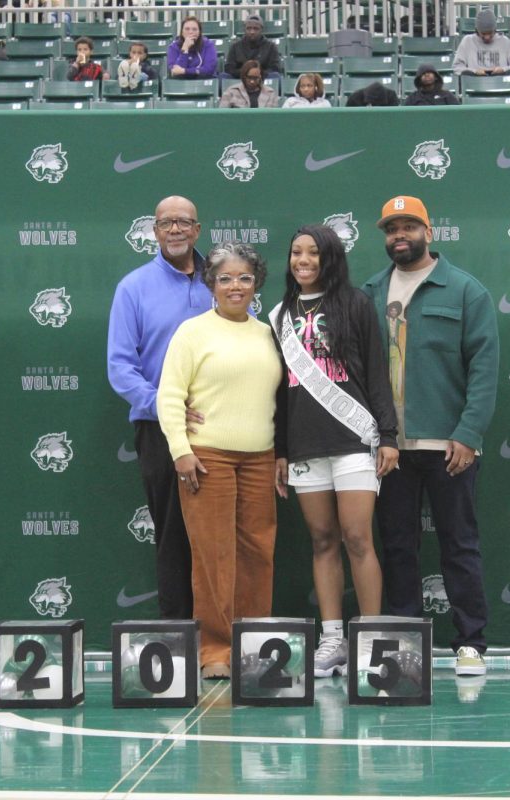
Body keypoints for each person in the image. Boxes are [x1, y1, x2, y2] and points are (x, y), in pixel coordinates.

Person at [361, 195, 499, 677]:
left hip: (449, 447)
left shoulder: (465, 291)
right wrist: (381, 436)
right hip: (390, 447)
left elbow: (483, 370)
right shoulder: (371, 291)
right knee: (397, 544)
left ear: (429, 232)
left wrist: (468, 432)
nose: (400, 235)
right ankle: (403, 641)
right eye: (391, 228)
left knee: (459, 544)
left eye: (409, 227)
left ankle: (470, 643)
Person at [269, 225, 399, 678]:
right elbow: (278, 393)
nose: (303, 260)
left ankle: (371, 639)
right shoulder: (279, 315)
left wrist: (387, 435)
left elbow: (378, 375)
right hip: (306, 444)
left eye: (313, 253)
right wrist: (281, 450)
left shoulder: (356, 304)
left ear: (330, 258)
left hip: (353, 441)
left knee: (358, 538)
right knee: (322, 541)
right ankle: (331, 640)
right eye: (296, 252)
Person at [157, 243, 283, 680]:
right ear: (210, 284)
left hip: (260, 458)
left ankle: (252, 647)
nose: (236, 286)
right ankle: (213, 651)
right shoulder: (192, 333)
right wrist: (181, 451)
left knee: (257, 554)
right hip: (206, 458)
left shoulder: (268, 333)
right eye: (225, 278)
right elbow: (170, 396)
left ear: (256, 284)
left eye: (245, 278)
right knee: (212, 555)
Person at [107, 196, 211, 623]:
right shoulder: (133, 287)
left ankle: (222, 640)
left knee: (219, 539)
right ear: (153, 230)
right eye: (166, 223)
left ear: (197, 229)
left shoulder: (223, 279)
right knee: (173, 538)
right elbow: (120, 366)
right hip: (160, 432)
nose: (175, 230)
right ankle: (180, 637)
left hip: (221, 430)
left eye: (183, 222)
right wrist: (167, 408)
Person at [452, 8, 510, 76]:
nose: (487, 37)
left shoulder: (505, 41)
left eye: (490, 33)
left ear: (495, 29)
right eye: (483, 33)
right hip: (475, 83)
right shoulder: (467, 41)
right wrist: (475, 71)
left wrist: (503, 70)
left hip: (500, 82)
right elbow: (457, 67)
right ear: (477, 30)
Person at [221, 14, 280, 79]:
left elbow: (274, 68)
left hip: (262, 79)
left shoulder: (271, 46)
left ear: (261, 30)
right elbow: (229, 68)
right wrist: (246, 73)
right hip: (239, 79)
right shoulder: (235, 46)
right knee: (223, 76)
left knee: (275, 76)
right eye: (249, 28)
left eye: (256, 29)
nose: (252, 32)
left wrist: (256, 73)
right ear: (244, 29)